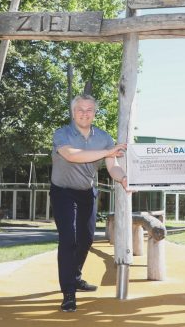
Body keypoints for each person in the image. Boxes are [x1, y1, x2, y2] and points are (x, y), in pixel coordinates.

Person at [50, 94, 129, 312]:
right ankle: (68, 292)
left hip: (87, 192)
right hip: (62, 191)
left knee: (85, 239)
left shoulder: (104, 137)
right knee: (68, 239)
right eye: (80, 109)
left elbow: (113, 167)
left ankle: (74, 277)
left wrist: (123, 178)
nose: (85, 113)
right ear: (73, 112)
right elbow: (71, 155)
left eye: (89, 110)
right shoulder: (62, 133)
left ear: (95, 113)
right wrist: (107, 152)